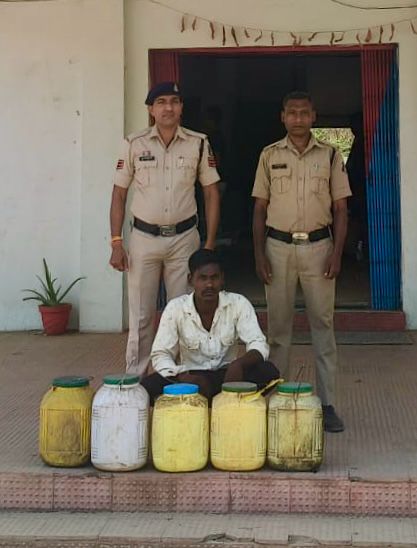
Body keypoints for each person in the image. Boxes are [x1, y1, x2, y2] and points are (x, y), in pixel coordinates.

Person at [252, 91, 351, 433]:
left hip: (319, 248)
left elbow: (341, 209)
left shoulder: (331, 154)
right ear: (282, 116)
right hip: (277, 248)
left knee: (323, 327)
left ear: (313, 116)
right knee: (278, 330)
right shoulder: (269, 155)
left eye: (304, 112)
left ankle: (327, 405)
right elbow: (260, 208)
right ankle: (277, 401)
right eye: (292, 112)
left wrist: (337, 253)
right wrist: (259, 254)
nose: (298, 118)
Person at [109, 82, 221, 376]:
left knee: (183, 313)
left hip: (184, 239)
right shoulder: (133, 143)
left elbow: (211, 192)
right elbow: (119, 194)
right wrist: (117, 242)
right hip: (144, 239)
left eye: (174, 101)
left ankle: (179, 380)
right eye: (161, 102)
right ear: (151, 109)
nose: (168, 107)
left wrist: (209, 243)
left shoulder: (198, 143)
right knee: (141, 315)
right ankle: (135, 380)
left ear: (181, 107)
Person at [141, 249, 280, 405]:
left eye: (214, 278)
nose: (209, 285)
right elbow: (161, 354)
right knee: (147, 387)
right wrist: (182, 376)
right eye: (203, 278)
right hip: (191, 379)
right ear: (190, 280)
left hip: (229, 376)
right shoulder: (175, 308)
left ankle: (225, 401)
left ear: (222, 279)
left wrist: (239, 364)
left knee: (268, 371)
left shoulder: (238, 303)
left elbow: (258, 343)